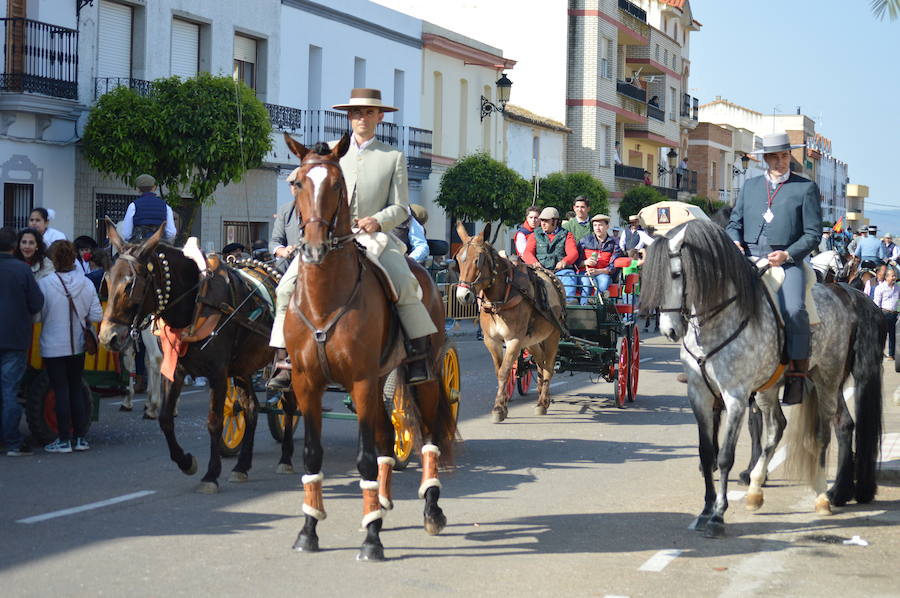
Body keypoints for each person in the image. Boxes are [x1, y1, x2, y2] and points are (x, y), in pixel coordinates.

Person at [267, 88, 438, 389]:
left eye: (368, 112)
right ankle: (284, 360)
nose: (361, 117)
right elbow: (300, 181)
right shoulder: (327, 152)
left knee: (405, 282)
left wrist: (378, 220)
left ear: (379, 117)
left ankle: (416, 354)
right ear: (349, 117)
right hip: (328, 239)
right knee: (284, 288)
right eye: (356, 112)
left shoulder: (392, 156)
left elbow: (401, 207)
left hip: (373, 239)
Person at [726, 132, 822, 405]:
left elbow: (813, 234)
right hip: (749, 259)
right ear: (765, 159)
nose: (780, 161)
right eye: (774, 157)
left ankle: (796, 376)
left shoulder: (805, 188)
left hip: (786, 262)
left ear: (789, 155)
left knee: (794, 309)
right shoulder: (751, 186)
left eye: (784, 155)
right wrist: (734, 241)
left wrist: (788, 254)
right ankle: (706, 363)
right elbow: (735, 223)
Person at [35, 240, 102, 453]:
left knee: (60, 389)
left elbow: (36, 315)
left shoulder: (45, 284)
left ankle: (63, 440)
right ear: (74, 258)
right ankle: (80, 439)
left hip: (53, 345)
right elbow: (97, 314)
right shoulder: (86, 283)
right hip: (78, 344)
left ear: (53, 260)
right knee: (75, 388)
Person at [0, 227, 44, 456]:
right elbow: (37, 303)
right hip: (15, 339)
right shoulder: (22, 271)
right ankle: (12, 442)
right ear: (14, 246)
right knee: (9, 391)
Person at [522, 207, 579, 303]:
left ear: (555, 221)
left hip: (562, 271)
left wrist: (565, 261)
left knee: (569, 278)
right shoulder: (534, 235)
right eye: (542, 220)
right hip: (540, 271)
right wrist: (534, 262)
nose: (542, 223)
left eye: (546, 221)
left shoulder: (567, 235)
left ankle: (569, 305)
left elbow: (573, 253)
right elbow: (527, 253)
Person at [120, 174, 177, 243]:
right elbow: (171, 233)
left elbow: (126, 234)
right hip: (159, 244)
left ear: (138, 189)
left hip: (139, 244)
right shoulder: (166, 206)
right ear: (154, 188)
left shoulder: (133, 206)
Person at [577, 213, 620, 304]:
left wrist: (598, 271)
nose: (597, 228)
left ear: (607, 226)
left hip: (603, 273)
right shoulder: (584, 240)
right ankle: (584, 309)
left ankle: (597, 307)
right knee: (586, 283)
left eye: (600, 225)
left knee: (604, 281)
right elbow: (576, 262)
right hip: (585, 272)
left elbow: (613, 267)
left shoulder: (614, 244)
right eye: (595, 225)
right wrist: (585, 262)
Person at [873, 267, 900, 360]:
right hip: (883, 313)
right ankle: (879, 353)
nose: (894, 278)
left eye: (895, 276)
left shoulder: (898, 287)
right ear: (886, 277)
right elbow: (876, 303)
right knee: (881, 334)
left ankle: (891, 354)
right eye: (892, 276)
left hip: (894, 314)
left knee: (893, 335)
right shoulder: (880, 288)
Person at [270, 199, 302, 273]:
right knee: (282, 264)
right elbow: (274, 241)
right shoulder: (285, 210)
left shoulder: (327, 206)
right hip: (294, 265)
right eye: (292, 186)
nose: (294, 187)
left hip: (324, 264)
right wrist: (283, 251)